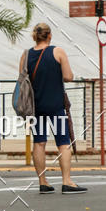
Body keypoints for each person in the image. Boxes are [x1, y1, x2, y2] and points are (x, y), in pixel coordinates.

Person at [19, 23, 87, 194]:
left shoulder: (26, 54)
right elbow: (68, 77)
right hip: (55, 105)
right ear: (49, 35)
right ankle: (67, 181)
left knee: (39, 143)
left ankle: (43, 182)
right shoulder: (58, 52)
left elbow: (22, 79)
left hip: (34, 106)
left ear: (35, 36)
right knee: (63, 143)